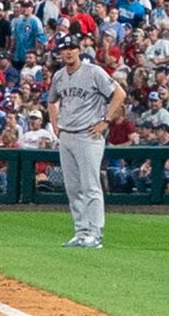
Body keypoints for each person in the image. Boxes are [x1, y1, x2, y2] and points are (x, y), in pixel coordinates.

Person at [47, 42, 124, 249]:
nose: (68, 52)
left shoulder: (93, 71)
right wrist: (55, 125)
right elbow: (51, 101)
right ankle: (81, 231)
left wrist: (106, 121)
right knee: (73, 187)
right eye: (64, 49)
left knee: (90, 185)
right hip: (67, 135)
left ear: (79, 50)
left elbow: (120, 94)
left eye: (72, 48)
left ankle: (95, 233)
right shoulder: (59, 76)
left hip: (88, 135)